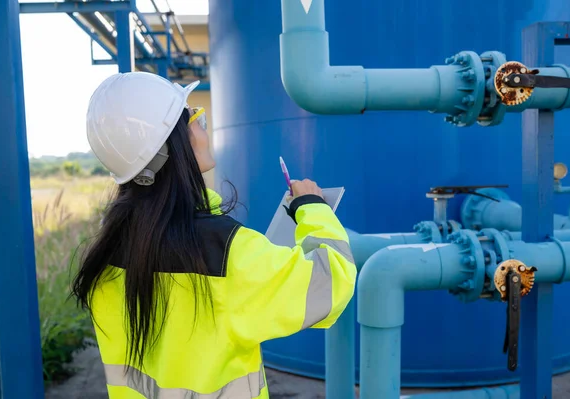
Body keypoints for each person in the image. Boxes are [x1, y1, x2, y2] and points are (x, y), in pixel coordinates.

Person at [71, 71, 357, 399]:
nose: (201, 127)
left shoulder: (105, 254)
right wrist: (312, 207)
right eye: (193, 117)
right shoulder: (227, 254)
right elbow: (331, 282)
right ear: (173, 145)